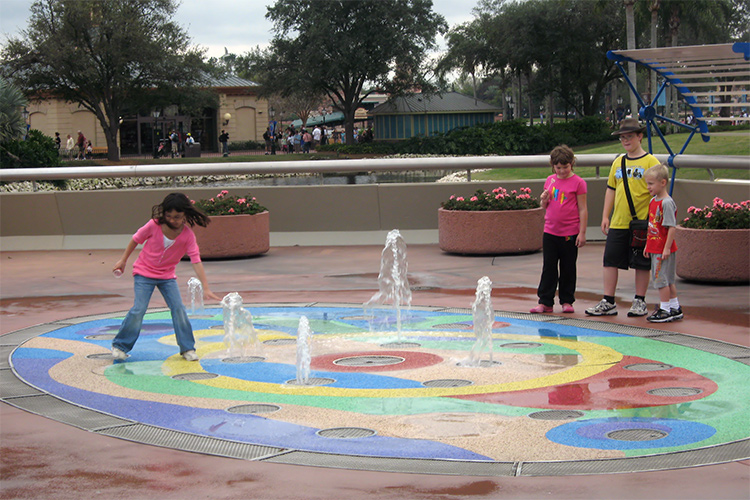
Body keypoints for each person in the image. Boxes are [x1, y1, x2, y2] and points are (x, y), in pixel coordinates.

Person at [111, 193, 221, 362]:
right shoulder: (153, 225)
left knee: (178, 309)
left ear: (185, 214)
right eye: (168, 216)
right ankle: (120, 345)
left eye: (177, 217)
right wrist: (123, 260)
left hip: (167, 277)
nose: (172, 220)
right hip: (143, 273)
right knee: (139, 309)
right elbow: (135, 240)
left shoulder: (187, 235)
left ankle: (187, 348)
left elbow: (196, 261)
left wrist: (205, 287)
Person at [585, 118, 660, 317]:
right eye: (622, 138)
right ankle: (608, 300)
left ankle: (640, 300)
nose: (626, 141)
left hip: (642, 221)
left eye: (629, 137)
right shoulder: (618, 162)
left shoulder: (651, 161)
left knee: (642, 262)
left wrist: (655, 221)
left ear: (640, 137)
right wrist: (605, 215)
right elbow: (611, 189)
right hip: (619, 220)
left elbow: (659, 191)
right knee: (610, 260)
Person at [530, 145, 588, 314]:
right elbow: (545, 205)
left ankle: (567, 300)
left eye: (565, 167)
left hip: (569, 232)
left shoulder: (579, 183)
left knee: (568, 267)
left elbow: (583, 208)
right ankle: (545, 301)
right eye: (558, 167)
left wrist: (582, 232)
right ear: (553, 166)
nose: (562, 171)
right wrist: (543, 200)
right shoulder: (550, 180)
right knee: (549, 266)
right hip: (550, 231)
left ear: (572, 164)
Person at [643, 164, 683, 323]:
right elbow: (652, 225)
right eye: (648, 183)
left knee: (661, 280)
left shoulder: (666, 203)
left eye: (651, 184)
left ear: (663, 182)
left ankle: (665, 309)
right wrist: (648, 245)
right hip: (655, 247)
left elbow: (671, 227)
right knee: (667, 279)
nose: (648, 187)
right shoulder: (653, 201)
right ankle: (675, 306)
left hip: (662, 249)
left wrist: (666, 248)